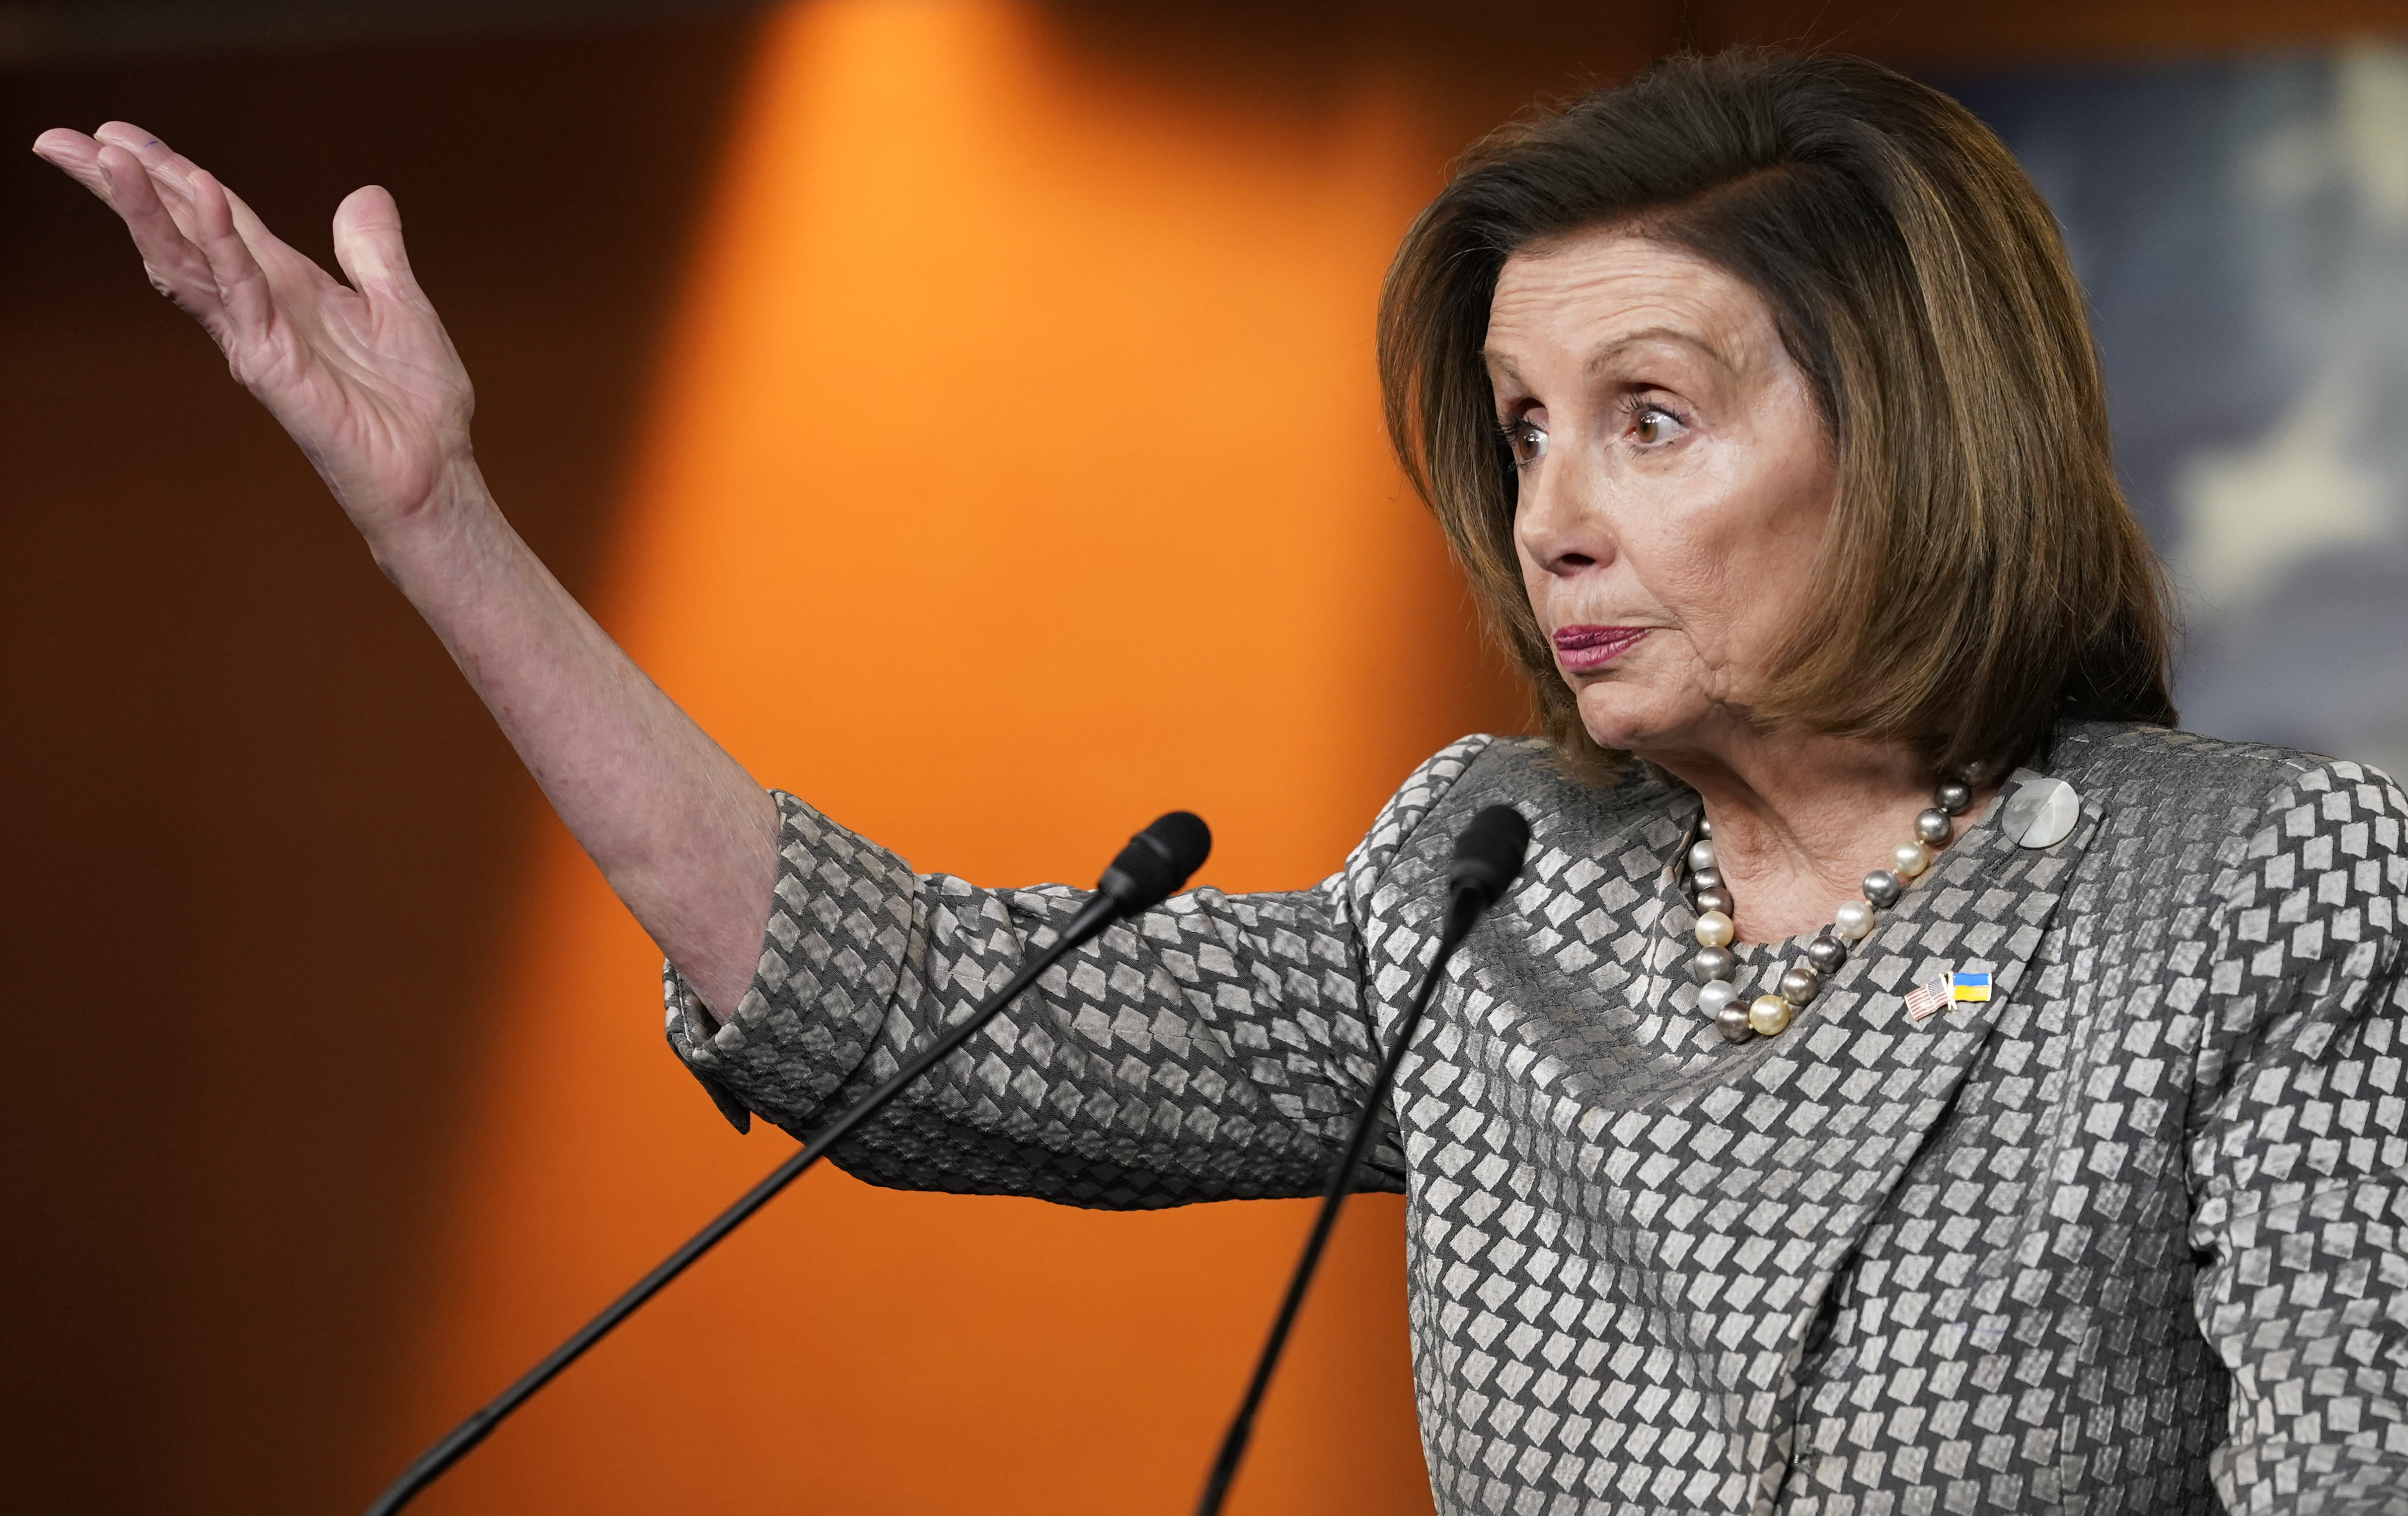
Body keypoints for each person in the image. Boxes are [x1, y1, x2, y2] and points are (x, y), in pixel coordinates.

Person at [37, 46, 2408, 1516]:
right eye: (1522, 427)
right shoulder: (1498, 885)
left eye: (1650, 417)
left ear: (1913, 439)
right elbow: (913, 1014)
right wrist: (439, 523)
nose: (1551, 510)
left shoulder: (2267, 893)